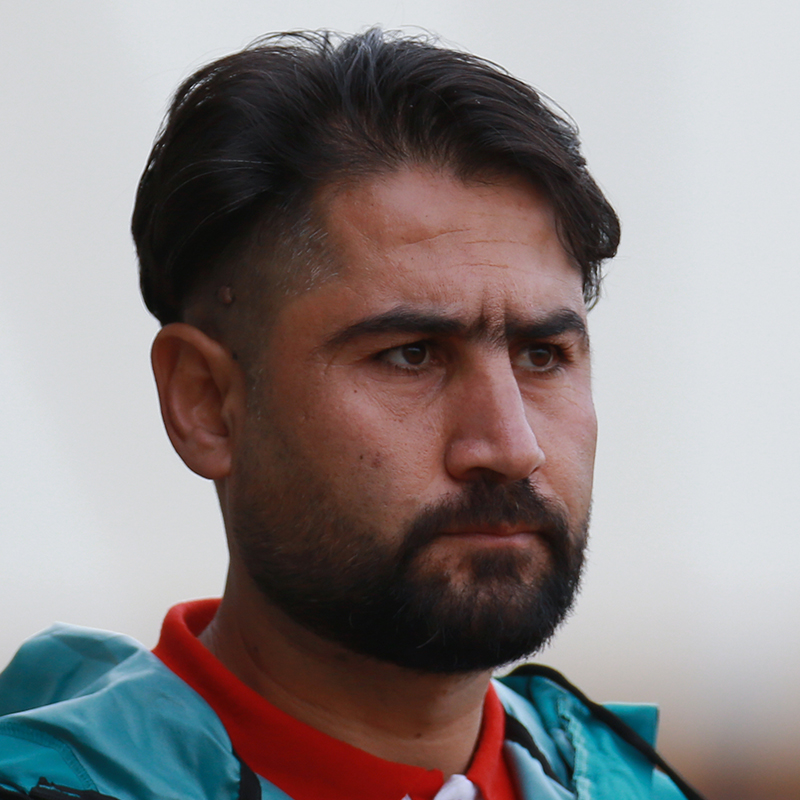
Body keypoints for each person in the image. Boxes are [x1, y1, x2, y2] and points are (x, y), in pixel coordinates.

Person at [0, 29, 705, 800]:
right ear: (206, 403)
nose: (511, 446)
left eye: (542, 355)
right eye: (411, 355)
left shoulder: (628, 782)